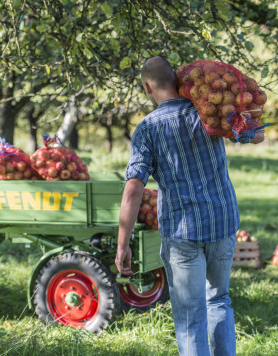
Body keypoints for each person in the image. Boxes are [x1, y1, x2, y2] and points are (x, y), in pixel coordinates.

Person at [115, 56, 264, 355]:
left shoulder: (147, 130)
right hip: (221, 221)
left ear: (148, 87)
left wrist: (122, 244)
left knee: (189, 314)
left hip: (182, 232)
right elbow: (257, 135)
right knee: (219, 300)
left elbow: (133, 190)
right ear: (176, 79)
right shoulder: (209, 114)